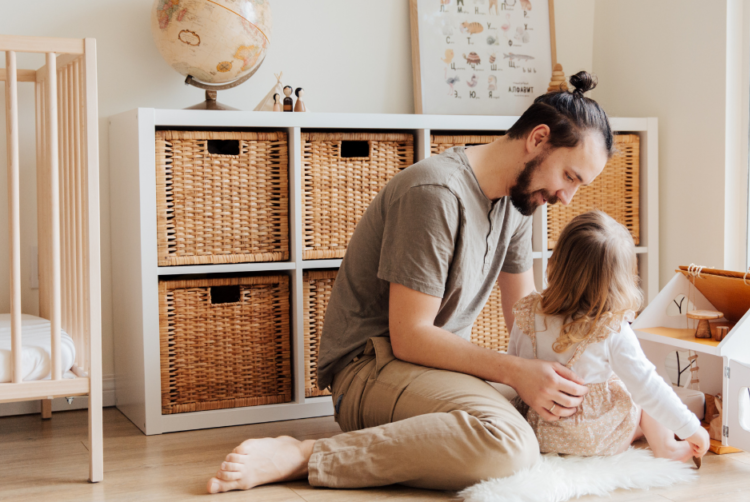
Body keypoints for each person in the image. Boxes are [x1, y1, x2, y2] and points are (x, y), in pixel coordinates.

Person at [208, 72, 614, 493]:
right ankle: (308, 455)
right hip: (371, 369)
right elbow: (410, 336)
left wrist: (581, 368)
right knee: (511, 445)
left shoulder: (516, 202)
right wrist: (518, 374)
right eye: (569, 177)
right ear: (538, 139)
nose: (567, 197)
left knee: (564, 408)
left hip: (436, 370)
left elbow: (525, 319)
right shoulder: (436, 193)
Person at [507, 210, 709, 466]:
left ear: (555, 262)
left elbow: (514, 364)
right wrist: (693, 428)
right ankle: (666, 446)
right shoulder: (611, 329)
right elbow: (649, 388)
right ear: (620, 282)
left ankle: (641, 433)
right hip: (594, 440)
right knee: (640, 389)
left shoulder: (527, 312)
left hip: (540, 431)